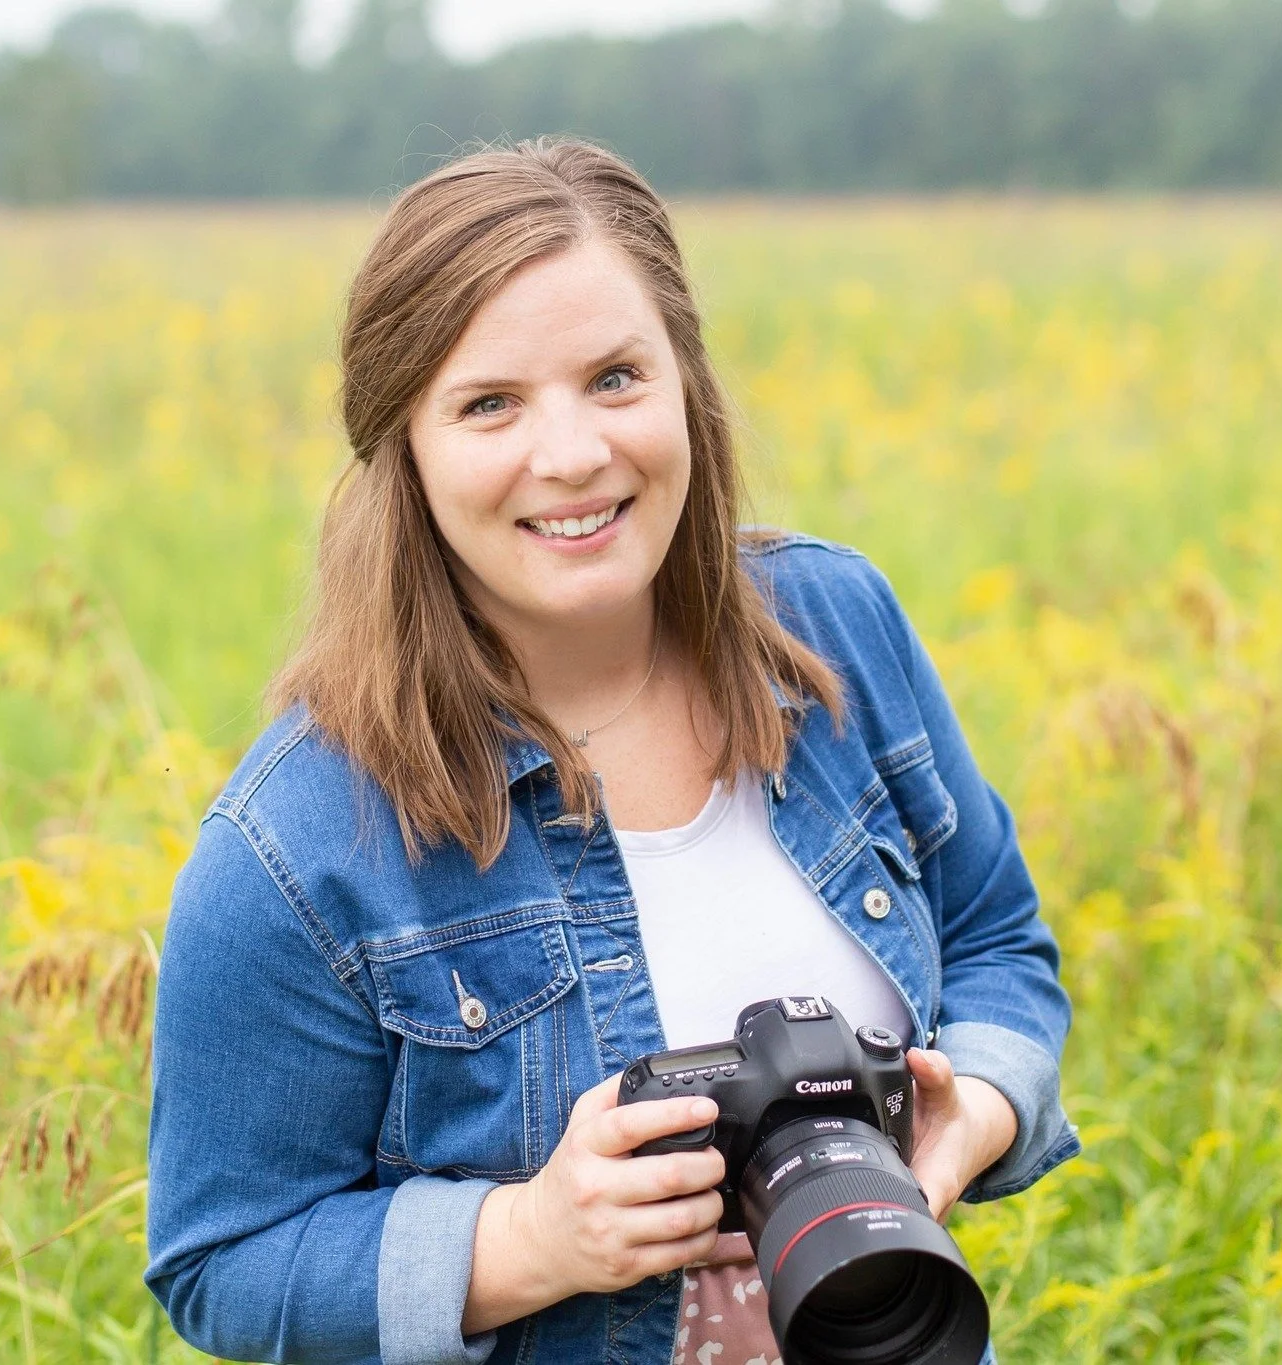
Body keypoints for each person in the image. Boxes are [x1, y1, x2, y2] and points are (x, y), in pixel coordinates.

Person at [144, 137, 1080, 1365]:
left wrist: (983, 1113)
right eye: (489, 404)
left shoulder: (839, 630)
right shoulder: (301, 843)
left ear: (686, 385)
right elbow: (221, 1261)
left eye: (616, 378)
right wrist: (530, 1239)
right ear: (403, 450)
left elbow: (998, 939)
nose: (575, 454)